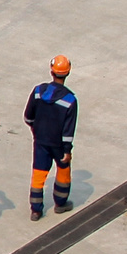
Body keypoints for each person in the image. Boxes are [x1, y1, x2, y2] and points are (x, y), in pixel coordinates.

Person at [24, 55, 79, 219]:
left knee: (39, 174)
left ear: (51, 71)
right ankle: (60, 204)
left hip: (40, 140)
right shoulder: (70, 100)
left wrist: (37, 130)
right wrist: (67, 151)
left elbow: (28, 117)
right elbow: (68, 131)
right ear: (68, 72)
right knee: (63, 171)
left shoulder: (38, 91)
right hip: (59, 145)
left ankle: (35, 210)